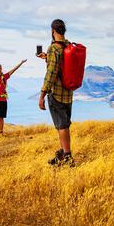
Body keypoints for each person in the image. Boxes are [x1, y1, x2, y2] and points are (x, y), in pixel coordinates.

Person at [37, 19, 75, 167]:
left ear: (53, 31)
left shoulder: (54, 48)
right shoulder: (68, 46)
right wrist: (46, 58)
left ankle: (68, 157)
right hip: (68, 93)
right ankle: (62, 154)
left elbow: (52, 73)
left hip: (57, 93)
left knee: (62, 126)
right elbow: (62, 65)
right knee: (63, 125)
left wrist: (42, 95)